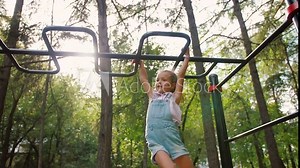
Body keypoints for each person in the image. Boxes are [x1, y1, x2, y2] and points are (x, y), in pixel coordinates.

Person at [138, 49, 194, 168]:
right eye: (158, 80)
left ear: (173, 85)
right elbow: (144, 79)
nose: (159, 82)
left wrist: (187, 58)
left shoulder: (174, 98)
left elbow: (180, 76)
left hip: (172, 140)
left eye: (164, 80)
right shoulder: (152, 96)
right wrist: (140, 63)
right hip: (155, 141)